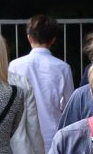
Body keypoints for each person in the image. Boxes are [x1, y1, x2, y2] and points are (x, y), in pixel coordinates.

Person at [9, 14, 74, 144]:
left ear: (29, 38)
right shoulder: (63, 68)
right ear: (53, 40)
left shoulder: (15, 66)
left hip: (22, 136)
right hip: (53, 135)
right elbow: (69, 107)